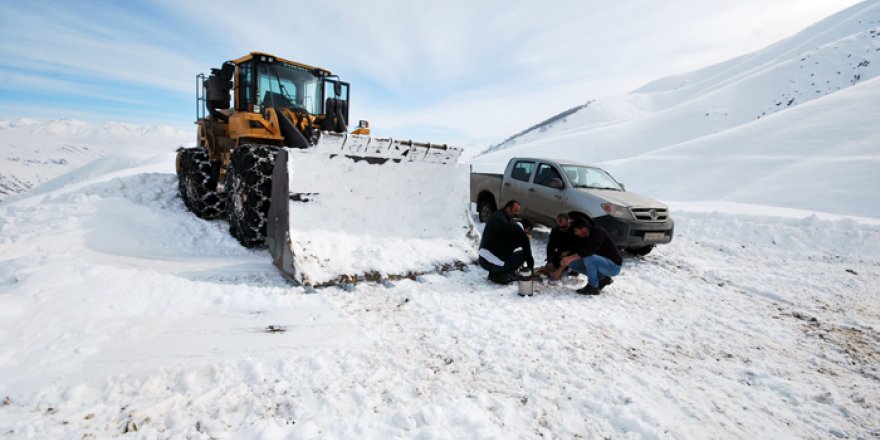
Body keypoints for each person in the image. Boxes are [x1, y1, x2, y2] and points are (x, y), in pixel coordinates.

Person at [552, 217, 622, 295]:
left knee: (589, 258)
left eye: (576, 231)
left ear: (584, 229)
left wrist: (570, 258)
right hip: (601, 264)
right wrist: (566, 256)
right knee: (573, 264)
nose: (576, 233)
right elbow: (577, 250)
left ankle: (593, 287)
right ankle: (602, 278)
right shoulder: (584, 237)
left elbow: (589, 250)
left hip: (614, 266)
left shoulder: (599, 232)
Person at [478, 200, 535, 284]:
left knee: (502, 251)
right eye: (515, 211)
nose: (516, 214)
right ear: (508, 209)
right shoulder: (519, 233)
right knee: (522, 255)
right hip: (494, 265)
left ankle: (494, 273)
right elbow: (528, 256)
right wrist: (530, 273)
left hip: (482, 260)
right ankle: (500, 274)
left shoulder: (496, 216)